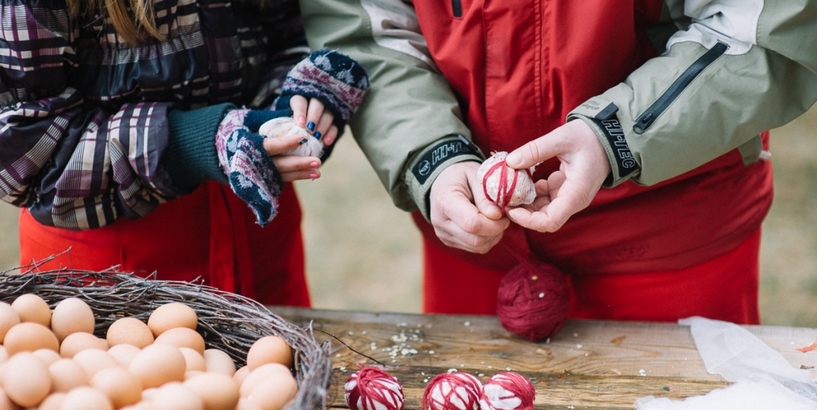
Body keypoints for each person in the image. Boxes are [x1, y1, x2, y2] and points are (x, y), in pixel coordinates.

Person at [299, 1, 817, 323]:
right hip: (474, 239)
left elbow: (765, 27)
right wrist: (433, 155)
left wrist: (613, 136)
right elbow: (366, 26)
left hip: (671, 234)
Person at [0, 0, 369, 306]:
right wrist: (194, 143)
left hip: (258, 238)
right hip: (110, 270)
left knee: (283, 385)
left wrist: (292, 107)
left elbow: (287, 28)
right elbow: (23, 147)